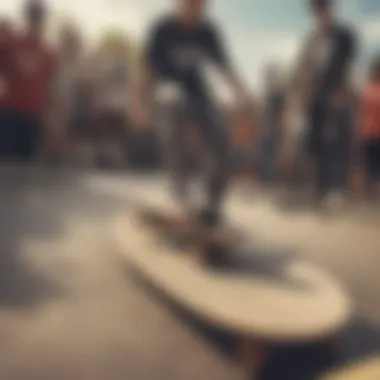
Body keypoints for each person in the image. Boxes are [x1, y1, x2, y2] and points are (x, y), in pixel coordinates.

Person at [132, 0, 249, 227]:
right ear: (179, 4)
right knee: (173, 99)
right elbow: (145, 68)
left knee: (221, 135)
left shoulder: (208, 31)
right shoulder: (162, 29)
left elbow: (226, 67)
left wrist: (243, 95)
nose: (195, 11)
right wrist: (139, 104)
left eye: (200, 6)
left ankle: (211, 201)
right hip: (166, 90)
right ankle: (180, 190)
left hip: (198, 93)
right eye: (191, 5)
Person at [300, 0, 356, 209]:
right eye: (317, 10)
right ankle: (320, 189)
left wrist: (343, 91)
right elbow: (306, 68)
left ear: (330, 10)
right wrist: (305, 94)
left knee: (335, 142)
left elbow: (348, 65)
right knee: (316, 143)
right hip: (316, 97)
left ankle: (336, 190)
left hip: (336, 95)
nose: (321, 14)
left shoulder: (343, 36)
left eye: (324, 9)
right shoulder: (312, 39)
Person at [9, 0, 56, 162]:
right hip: (11, 112)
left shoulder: (47, 51)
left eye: (39, 17)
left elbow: (50, 85)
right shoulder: (11, 44)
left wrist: (49, 115)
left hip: (34, 113)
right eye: (33, 16)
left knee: (27, 163)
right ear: (26, 17)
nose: (35, 21)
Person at [358, 56, 380, 203]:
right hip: (366, 132)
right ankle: (367, 196)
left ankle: (375, 196)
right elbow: (359, 111)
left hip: (377, 133)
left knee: (376, 167)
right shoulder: (366, 89)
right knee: (366, 165)